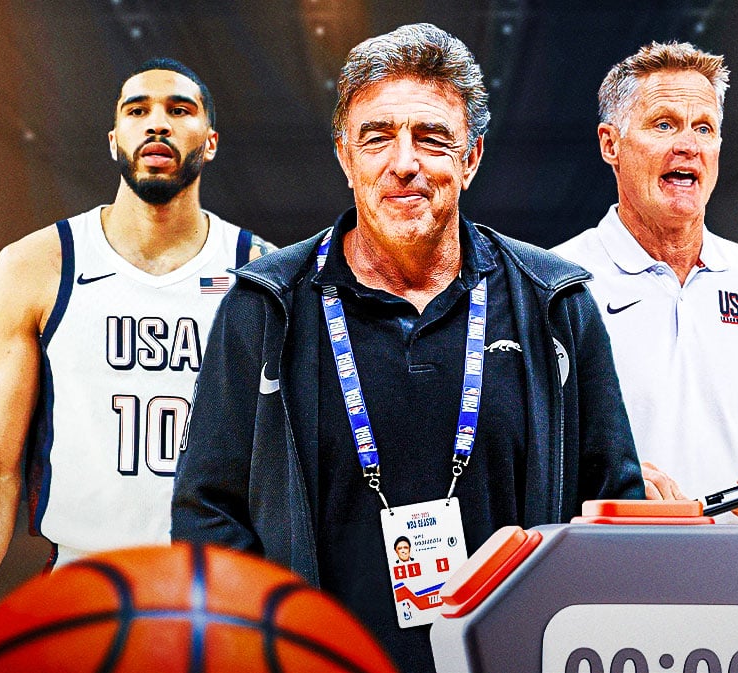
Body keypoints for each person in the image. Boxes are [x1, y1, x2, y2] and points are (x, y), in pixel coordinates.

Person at [171, 23, 642, 673]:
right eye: (377, 137)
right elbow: (207, 513)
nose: (404, 162)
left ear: (472, 157)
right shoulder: (265, 309)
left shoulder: (555, 307)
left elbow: (609, 513)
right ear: (344, 154)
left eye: (431, 138)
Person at [0, 57, 273, 668]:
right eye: (137, 110)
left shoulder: (260, 273)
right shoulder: (39, 265)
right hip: (84, 591)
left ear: (211, 142)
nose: (157, 124)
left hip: (216, 602)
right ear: (115, 138)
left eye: (179, 110)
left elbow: (288, 471)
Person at [553, 42, 738, 527]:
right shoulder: (553, 283)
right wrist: (606, 484)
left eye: (703, 128)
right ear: (610, 144)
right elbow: (513, 462)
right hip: (600, 589)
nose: (688, 144)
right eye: (663, 124)